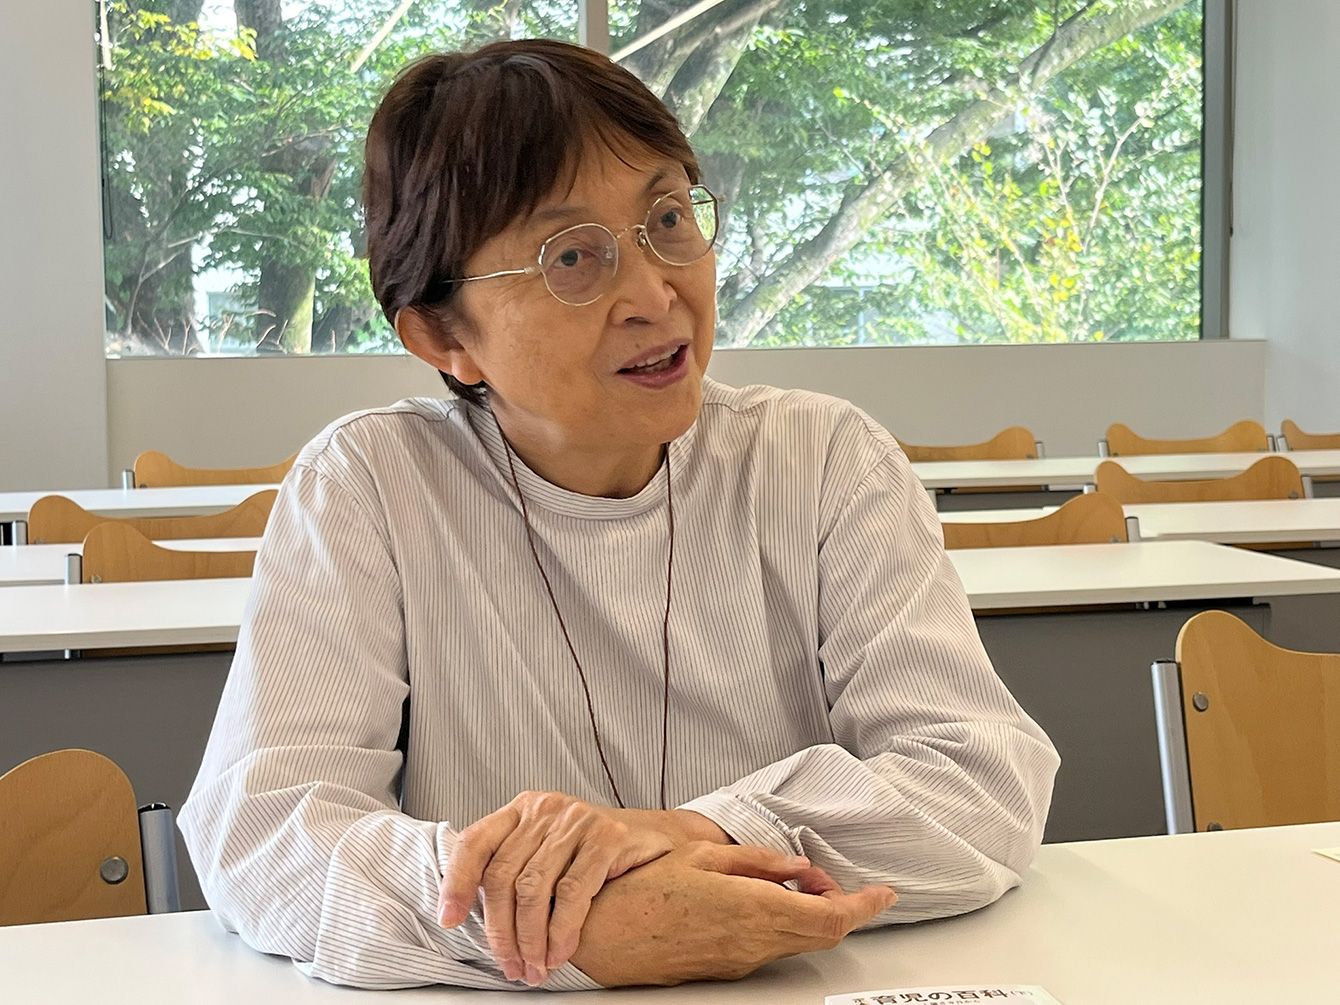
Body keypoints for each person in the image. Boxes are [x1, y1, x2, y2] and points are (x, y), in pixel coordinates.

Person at [179, 38, 1059, 992]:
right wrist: (571, 924)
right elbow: (264, 834)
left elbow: (980, 777)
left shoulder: (821, 459)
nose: (654, 293)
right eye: (572, 257)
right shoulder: (372, 486)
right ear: (442, 334)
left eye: (669, 219)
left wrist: (694, 833)